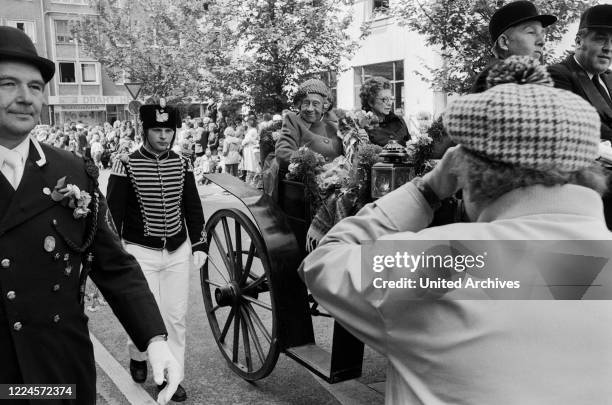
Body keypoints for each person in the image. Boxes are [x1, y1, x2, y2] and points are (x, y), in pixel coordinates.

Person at [300, 60, 612, 404]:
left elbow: (323, 261)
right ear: (590, 168)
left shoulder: (442, 266)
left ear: (469, 172)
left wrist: (428, 190)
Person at [0, 26, 180, 404]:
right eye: (8, 84)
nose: (24, 97)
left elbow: (112, 263)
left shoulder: (72, 170)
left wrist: (154, 339)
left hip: (59, 373)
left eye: (35, 87)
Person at [106, 103, 207, 402]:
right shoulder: (125, 163)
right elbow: (114, 212)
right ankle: (138, 355)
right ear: (144, 131)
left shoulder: (183, 164)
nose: (163, 136)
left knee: (176, 318)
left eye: (168, 130)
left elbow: (192, 206)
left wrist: (199, 244)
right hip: (140, 251)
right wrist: (114, 253)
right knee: (143, 315)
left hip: (176, 249)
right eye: (157, 130)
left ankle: (170, 379)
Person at [548, 4, 612, 230]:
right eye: (601, 39)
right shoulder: (558, 75)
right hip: (588, 192)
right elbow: (580, 129)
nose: (608, 48)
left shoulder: (609, 79)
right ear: (579, 39)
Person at [470, 0, 557, 93]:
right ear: (503, 42)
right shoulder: (492, 82)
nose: (542, 42)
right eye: (531, 32)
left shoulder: (538, 79)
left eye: (542, 34)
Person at [275, 79, 342, 170]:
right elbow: (283, 152)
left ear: (324, 107)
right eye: (306, 103)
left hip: (337, 178)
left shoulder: (334, 126)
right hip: (307, 179)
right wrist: (312, 164)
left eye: (315, 104)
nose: (310, 109)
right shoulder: (293, 120)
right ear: (299, 105)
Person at [359, 76, 411, 146]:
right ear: (370, 102)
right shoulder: (362, 125)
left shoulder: (399, 121)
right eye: (384, 99)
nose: (390, 103)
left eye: (391, 99)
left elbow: (410, 147)